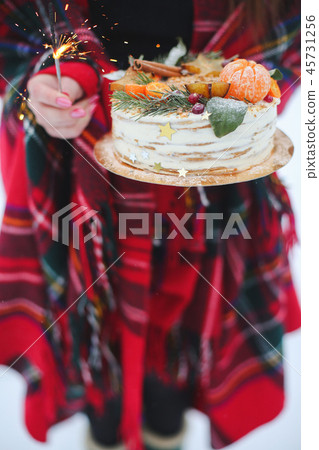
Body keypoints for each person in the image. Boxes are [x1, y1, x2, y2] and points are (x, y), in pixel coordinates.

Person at [0, 1, 301, 449]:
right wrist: (52, 76)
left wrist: (236, 89)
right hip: (80, 192)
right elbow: (15, 29)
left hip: (215, 195)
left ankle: (165, 432)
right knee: (98, 366)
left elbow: (295, 41)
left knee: (177, 369)